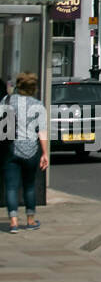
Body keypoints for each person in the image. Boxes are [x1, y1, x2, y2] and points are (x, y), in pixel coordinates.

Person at [3, 73, 48, 232]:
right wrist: (45, 154)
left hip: (11, 148)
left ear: (18, 85)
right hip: (31, 150)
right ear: (34, 88)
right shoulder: (38, 105)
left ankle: (13, 222)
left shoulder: (7, 101)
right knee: (29, 186)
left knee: (11, 187)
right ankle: (30, 220)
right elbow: (42, 131)